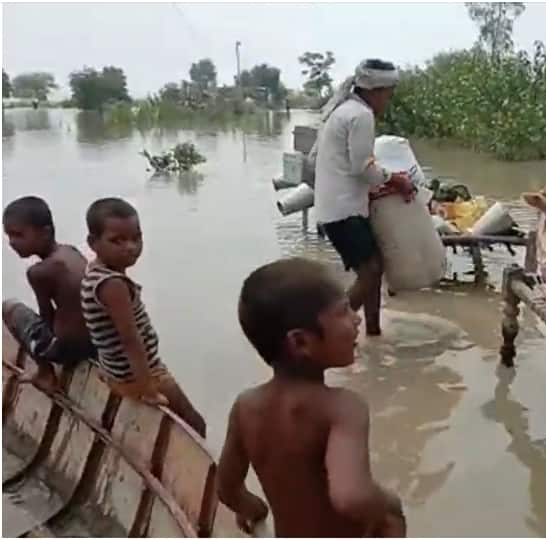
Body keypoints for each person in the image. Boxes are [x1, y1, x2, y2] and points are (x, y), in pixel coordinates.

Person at [217, 258, 406, 537]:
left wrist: (254, 509)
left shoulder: (245, 407)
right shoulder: (342, 408)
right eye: (343, 312)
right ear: (300, 342)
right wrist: (391, 504)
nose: (356, 318)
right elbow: (351, 496)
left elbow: (227, 489)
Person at [80, 197, 206, 437]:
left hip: (117, 371)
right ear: (93, 243)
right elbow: (130, 338)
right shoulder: (113, 284)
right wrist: (148, 388)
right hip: (142, 376)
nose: (130, 247)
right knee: (196, 424)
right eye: (117, 241)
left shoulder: (95, 272)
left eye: (136, 238)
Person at [312, 58, 414, 336]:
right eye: (388, 95)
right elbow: (362, 167)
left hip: (336, 207)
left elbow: (349, 167)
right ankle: (331, 333)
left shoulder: (345, 110)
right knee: (370, 272)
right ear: (376, 91)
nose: (388, 102)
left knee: (372, 269)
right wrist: (396, 179)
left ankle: (373, 332)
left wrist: (378, 185)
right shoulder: (361, 116)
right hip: (343, 211)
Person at [2, 196, 95, 392]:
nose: (12, 243)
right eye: (9, 236)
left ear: (45, 233)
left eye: (18, 235)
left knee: (9, 308)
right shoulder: (70, 251)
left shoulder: (39, 272)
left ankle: (45, 373)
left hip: (69, 349)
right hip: (95, 344)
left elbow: (46, 316)